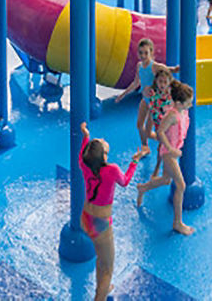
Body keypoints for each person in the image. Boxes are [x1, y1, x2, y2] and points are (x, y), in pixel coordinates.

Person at [79, 120, 143, 301]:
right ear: (104, 157)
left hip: (85, 218)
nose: (102, 138)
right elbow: (125, 181)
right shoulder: (112, 169)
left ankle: (102, 288)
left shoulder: (84, 164)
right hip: (101, 224)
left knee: (101, 259)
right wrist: (134, 161)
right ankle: (100, 295)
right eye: (101, 142)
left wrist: (86, 136)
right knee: (108, 268)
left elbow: (84, 151)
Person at [136, 81, 195, 235]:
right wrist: (171, 149)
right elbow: (161, 131)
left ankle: (143, 188)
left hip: (173, 150)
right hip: (168, 153)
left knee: (166, 180)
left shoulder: (182, 111)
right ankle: (177, 223)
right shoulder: (172, 115)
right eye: (189, 102)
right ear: (178, 103)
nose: (191, 104)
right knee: (180, 185)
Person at [113, 37, 160, 155]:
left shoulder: (154, 66)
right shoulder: (139, 66)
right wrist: (122, 95)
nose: (143, 56)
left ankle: (165, 140)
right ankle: (145, 146)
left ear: (151, 52)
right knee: (139, 125)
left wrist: (153, 89)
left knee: (149, 132)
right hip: (145, 100)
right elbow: (136, 83)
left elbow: (164, 80)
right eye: (141, 53)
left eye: (146, 53)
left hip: (154, 102)